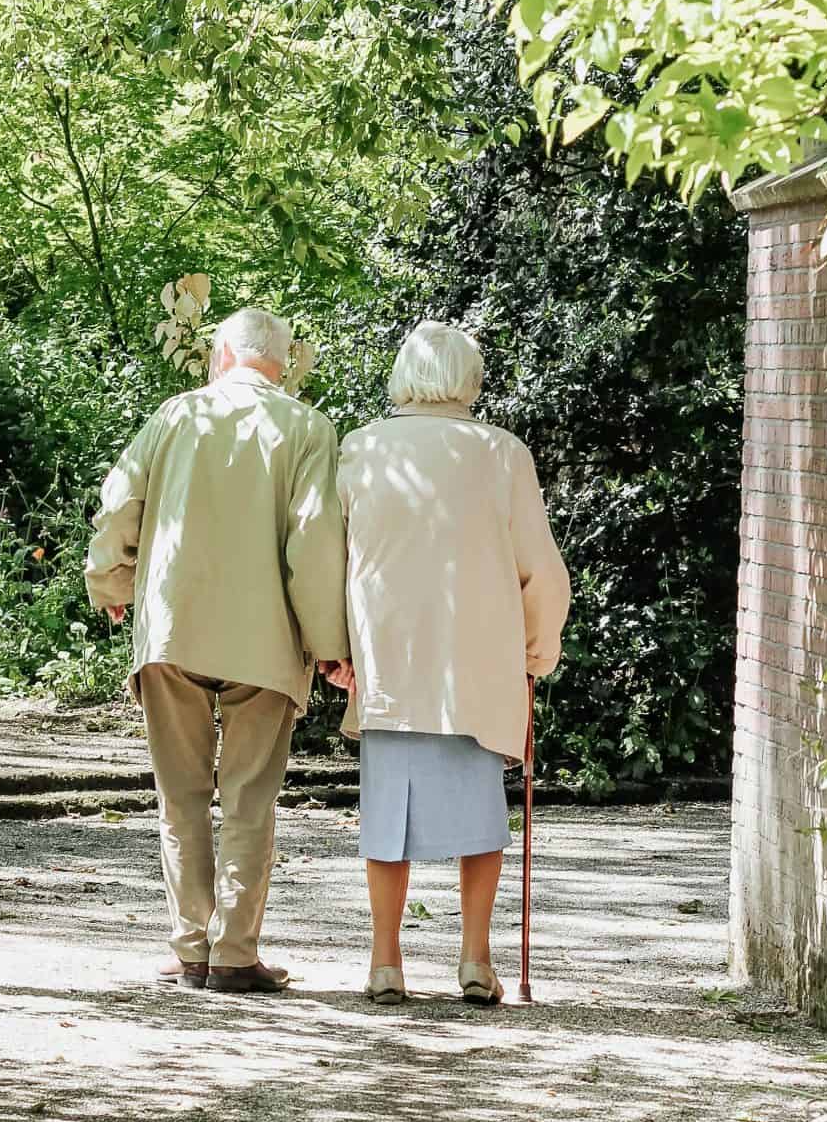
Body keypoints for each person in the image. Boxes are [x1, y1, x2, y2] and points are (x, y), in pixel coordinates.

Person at [86, 305, 349, 995]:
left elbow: (119, 505)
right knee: (248, 799)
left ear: (223, 354)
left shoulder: (175, 416)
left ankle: (189, 948)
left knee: (180, 797)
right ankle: (234, 953)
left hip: (173, 629)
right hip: (264, 641)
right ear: (282, 362)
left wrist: (109, 580)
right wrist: (329, 645)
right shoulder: (307, 427)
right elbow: (315, 542)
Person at [328, 320, 570, 1006]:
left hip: (389, 660)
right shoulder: (500, 453)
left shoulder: (361, 448)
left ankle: (384, 962)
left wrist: (333, 649)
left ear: (403, 375)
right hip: (477, 662)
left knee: (385, 819)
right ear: (469, 379)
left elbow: (329, 559)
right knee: (479, 819)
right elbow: (541, 571)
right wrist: (535, 649)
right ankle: (473, 959)